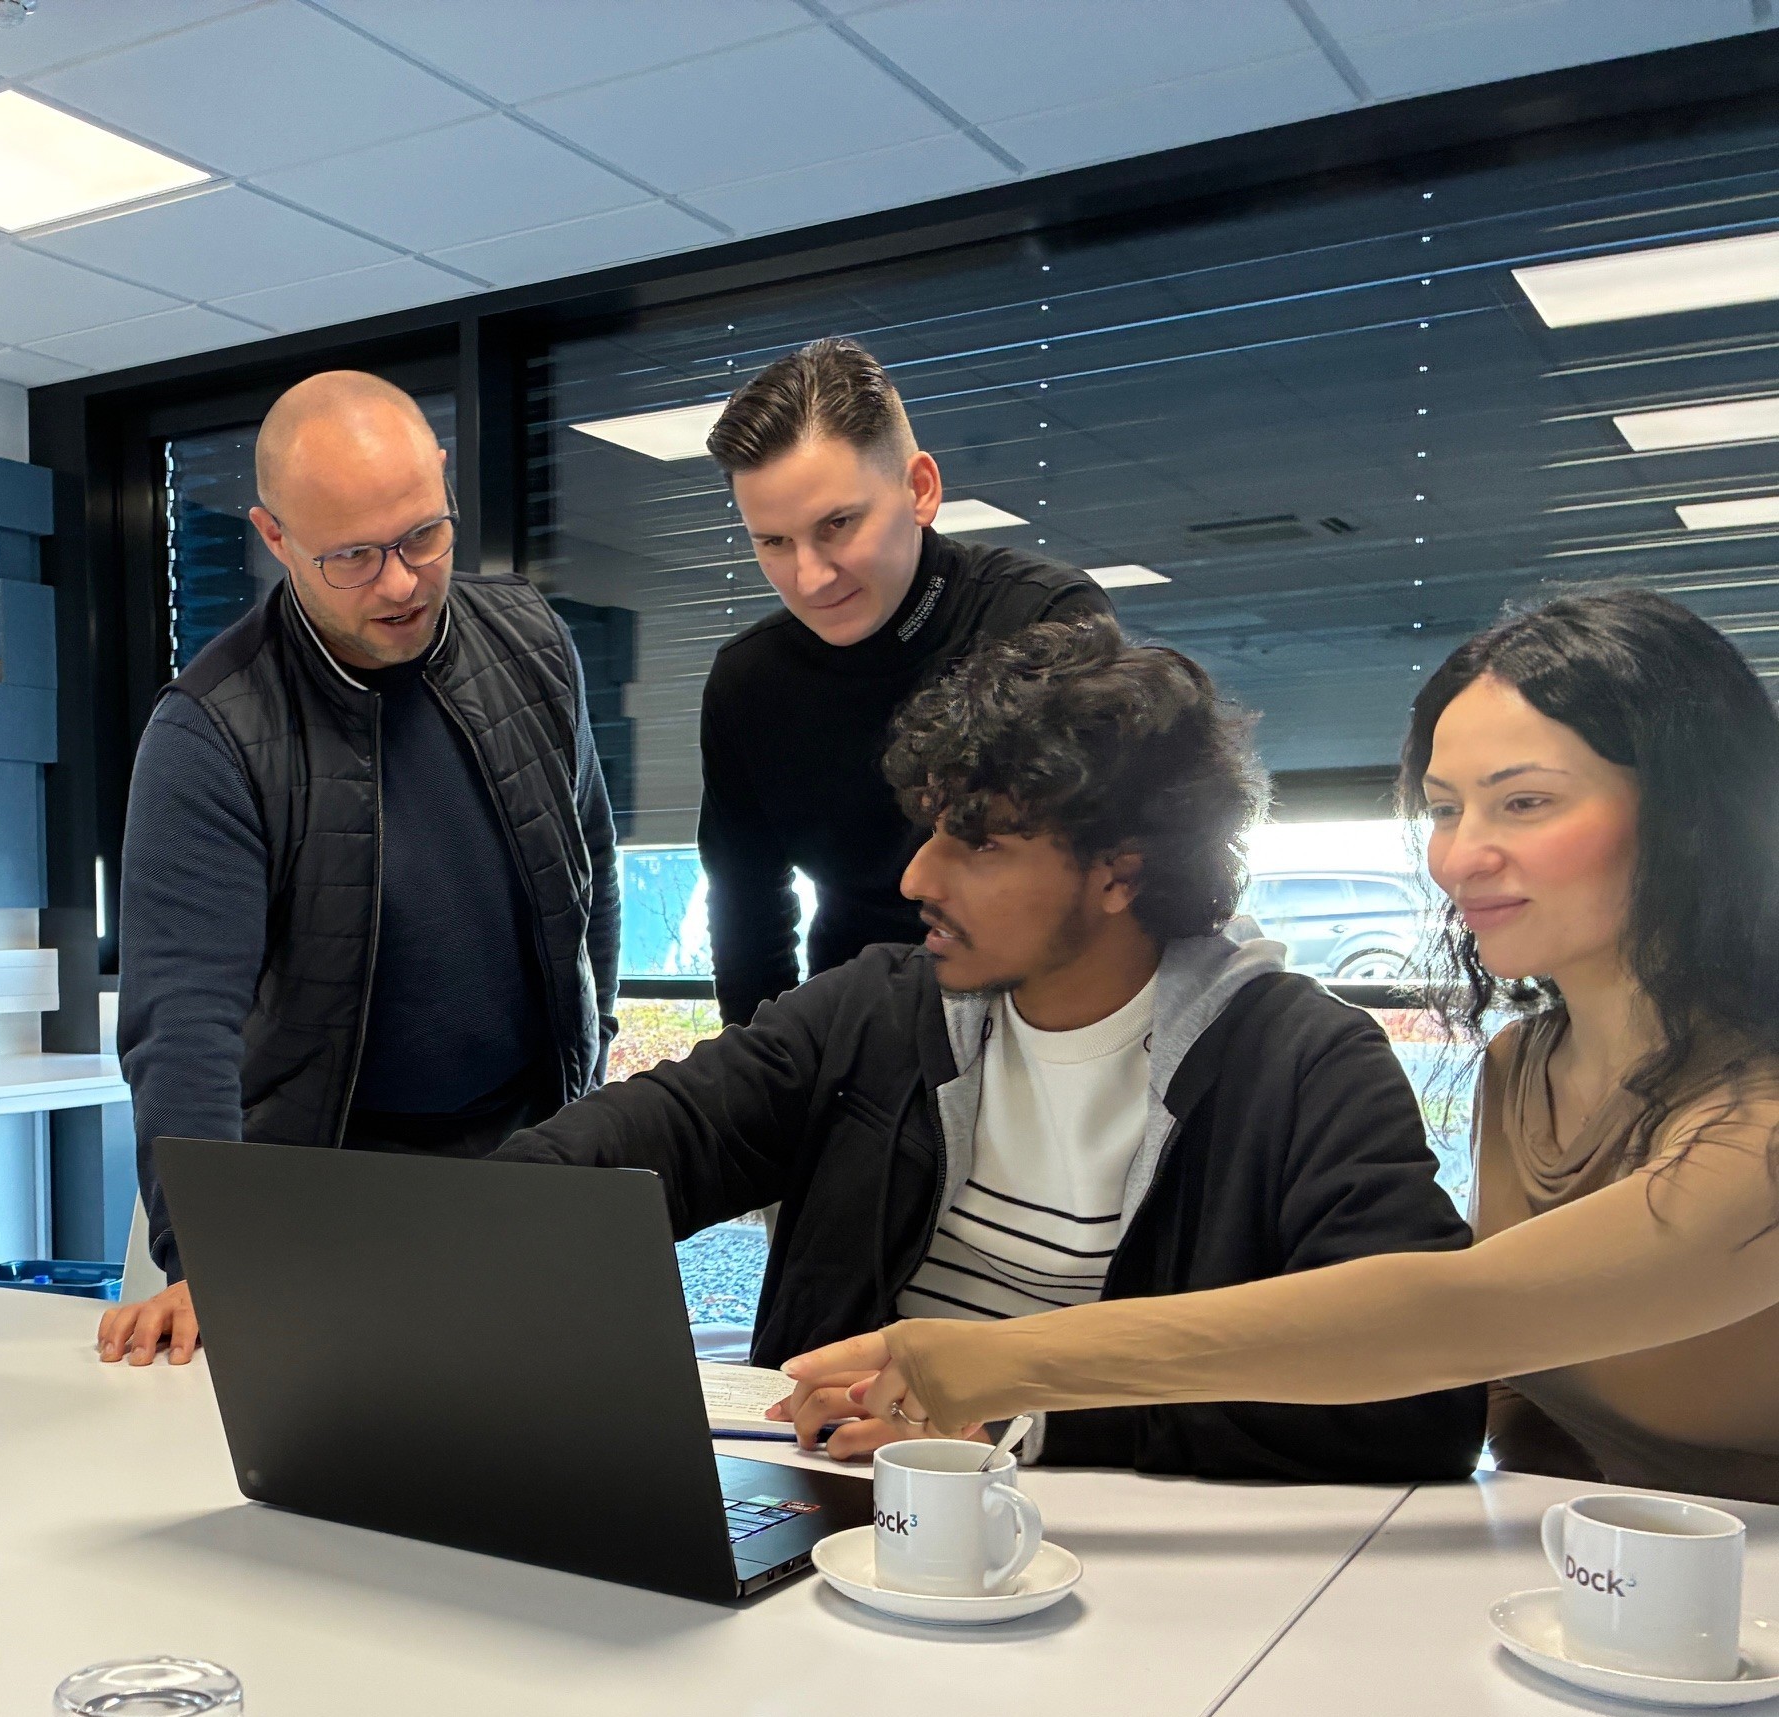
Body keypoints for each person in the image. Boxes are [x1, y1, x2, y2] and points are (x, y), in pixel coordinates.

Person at [796, 591, 1779, 1504]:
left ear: (1691, 813)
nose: (1461, 854)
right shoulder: (1524, 1067)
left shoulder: (1763, 1120)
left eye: (1524, 802)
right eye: (1444, 808)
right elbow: (1525, 1419)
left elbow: (1455, 1319)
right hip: (1606, 1610)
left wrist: (1004, 1362)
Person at [496, 618, 1483, 1481]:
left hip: (1136, 1583)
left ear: (1118, 875)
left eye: (981, 845)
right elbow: (644, 1142)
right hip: (842, 1527)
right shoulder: (875, 1011)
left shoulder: (1304, 1066)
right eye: (930, 831)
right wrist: (460, 1236)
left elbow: (1420, 1407)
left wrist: (1024, 1418)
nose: (918, 875)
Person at [100, 370, 620, 1365]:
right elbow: (182, 1028)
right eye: (353, 555)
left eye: (424, 534)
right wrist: (210, 1257)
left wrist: (586, 1087)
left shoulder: (535, 645)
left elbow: (586, 875)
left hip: (522, 1167)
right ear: (275, 537)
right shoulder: (213, 731)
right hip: (324, 1189)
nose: (402, 580)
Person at [699, 337, 1110, 1026]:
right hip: (856, 1034)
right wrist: (765, 1089)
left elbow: (1092, 885)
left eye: (837, 525)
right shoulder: (749, 683)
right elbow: (747, 919)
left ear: (920, 489)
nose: (810, 576)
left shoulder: (1044, 621)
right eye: (773, 541)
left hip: (1035, 1024)